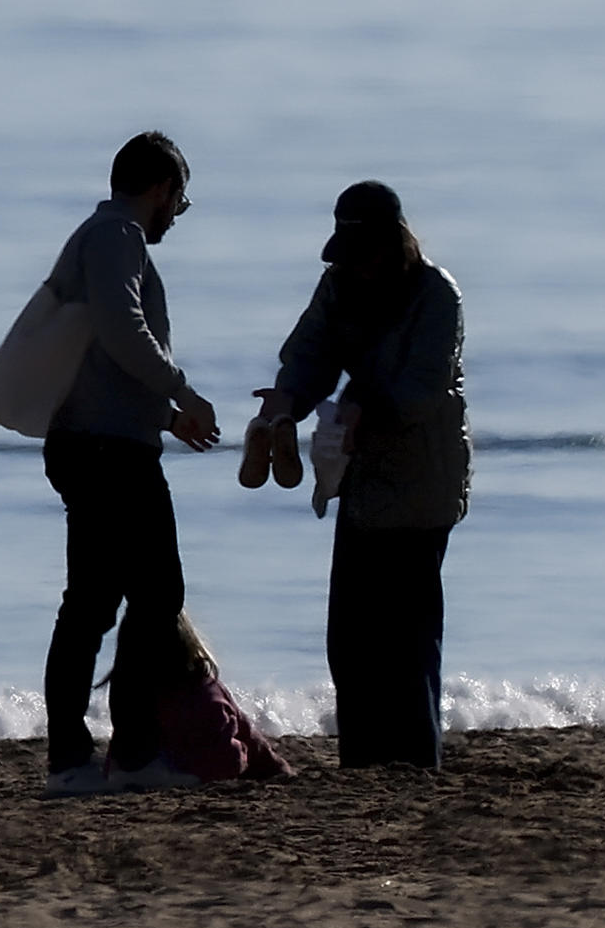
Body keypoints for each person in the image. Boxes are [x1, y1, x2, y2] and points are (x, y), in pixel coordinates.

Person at [251, 181, 471, 769]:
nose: (358, 267)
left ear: (392, 245)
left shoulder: (437, 295)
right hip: (363, 478)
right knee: (350, 641)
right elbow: (309, 353)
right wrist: (286, 403)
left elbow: (421, 391)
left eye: (366, 254)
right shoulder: (340, 285)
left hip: (424, 482)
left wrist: (362, 405)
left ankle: (415, 763)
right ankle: (364, 763)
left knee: (407, 638)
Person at [40, 131, 220, 798]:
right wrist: (181, 389)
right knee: (144, 596)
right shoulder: (119, 238)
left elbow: (102, 358)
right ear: (160, 190)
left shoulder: (101, 236)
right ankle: (114, 752)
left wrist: (167, 418)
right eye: (180, 198)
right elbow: (122, 330)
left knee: (101, 599)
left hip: (102, 437)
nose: (177, 212)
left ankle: (90, 753)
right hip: (107, 449)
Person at [102, 612, 293, 785]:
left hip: (159, 767)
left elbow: (232, 756)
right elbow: (245, 737)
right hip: (190, 766)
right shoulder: (200, 688)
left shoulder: (131, 688)